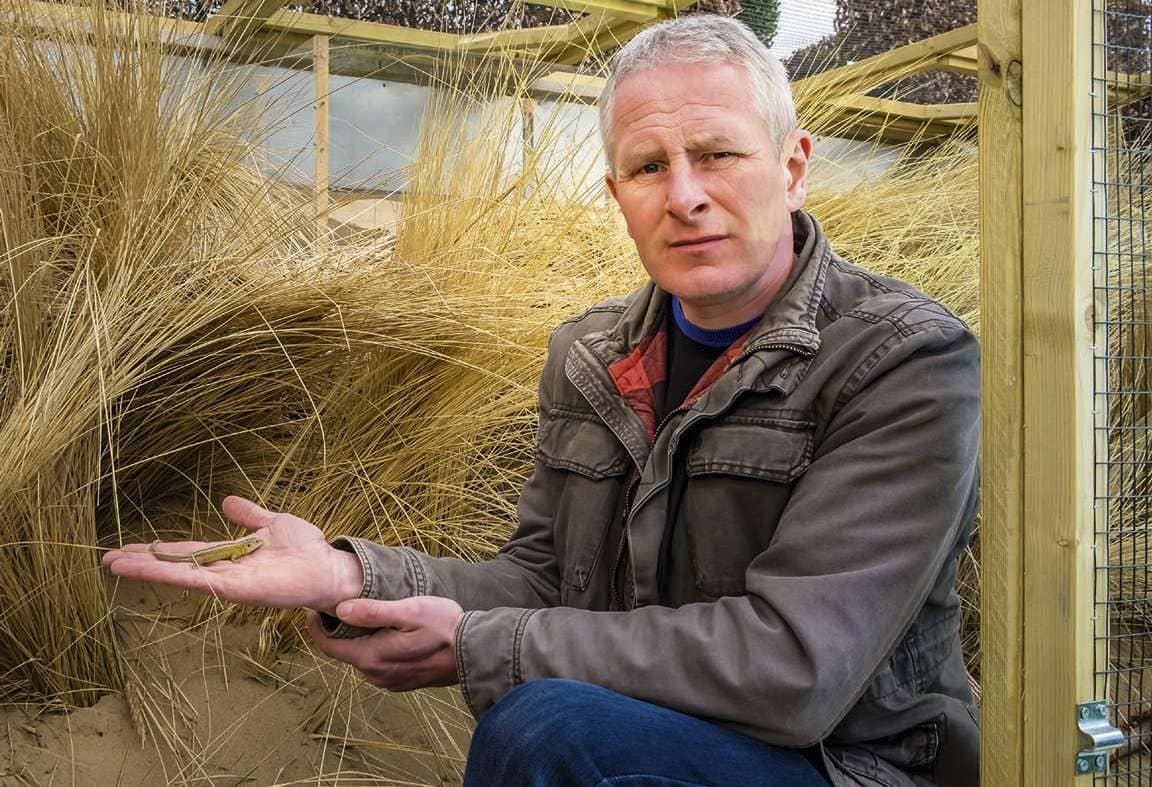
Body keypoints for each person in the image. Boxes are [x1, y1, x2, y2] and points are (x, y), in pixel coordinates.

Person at [103, 14, 980, 787]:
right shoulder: (591, 353)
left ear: (792, 168)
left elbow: (796, 670)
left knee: (549, 727)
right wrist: (352, 572)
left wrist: (484, 645)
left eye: (717, 153)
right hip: (649, 728)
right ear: (615, 195)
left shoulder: (902, 359)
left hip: (846, 764)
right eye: (647, 166)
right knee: (559, 719)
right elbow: (543, 580)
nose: (684, 195)